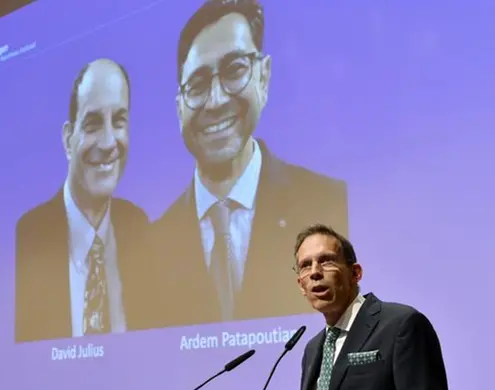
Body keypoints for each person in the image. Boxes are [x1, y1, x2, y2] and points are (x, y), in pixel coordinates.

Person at [176, 224, 452, 390]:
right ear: (300, 284)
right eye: (306, 266)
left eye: (327, 261)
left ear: (355, 272)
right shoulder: (314, 349)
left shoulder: (400, 325)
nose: (315, 272)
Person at [148, 0, 348, 329]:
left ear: (264, 76)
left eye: (234, 71)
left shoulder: (328, 200)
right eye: (196, 85)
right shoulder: (153, 242)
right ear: (178, 107)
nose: (215, 101)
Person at [15, 58, 151, 342]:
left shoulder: (141, 229)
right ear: (68, 139)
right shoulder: (29, 237)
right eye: (92, 124)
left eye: (119, 121)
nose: (108, 142)